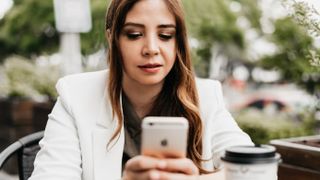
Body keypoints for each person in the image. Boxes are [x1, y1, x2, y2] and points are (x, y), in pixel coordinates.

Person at [29, 0, 253, 179]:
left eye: (165, 35)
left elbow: (256, 170)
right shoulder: (75, 96)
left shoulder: (205, 96)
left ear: (178, 42)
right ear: (112, 38)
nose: (152, 49)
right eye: (134, 35)